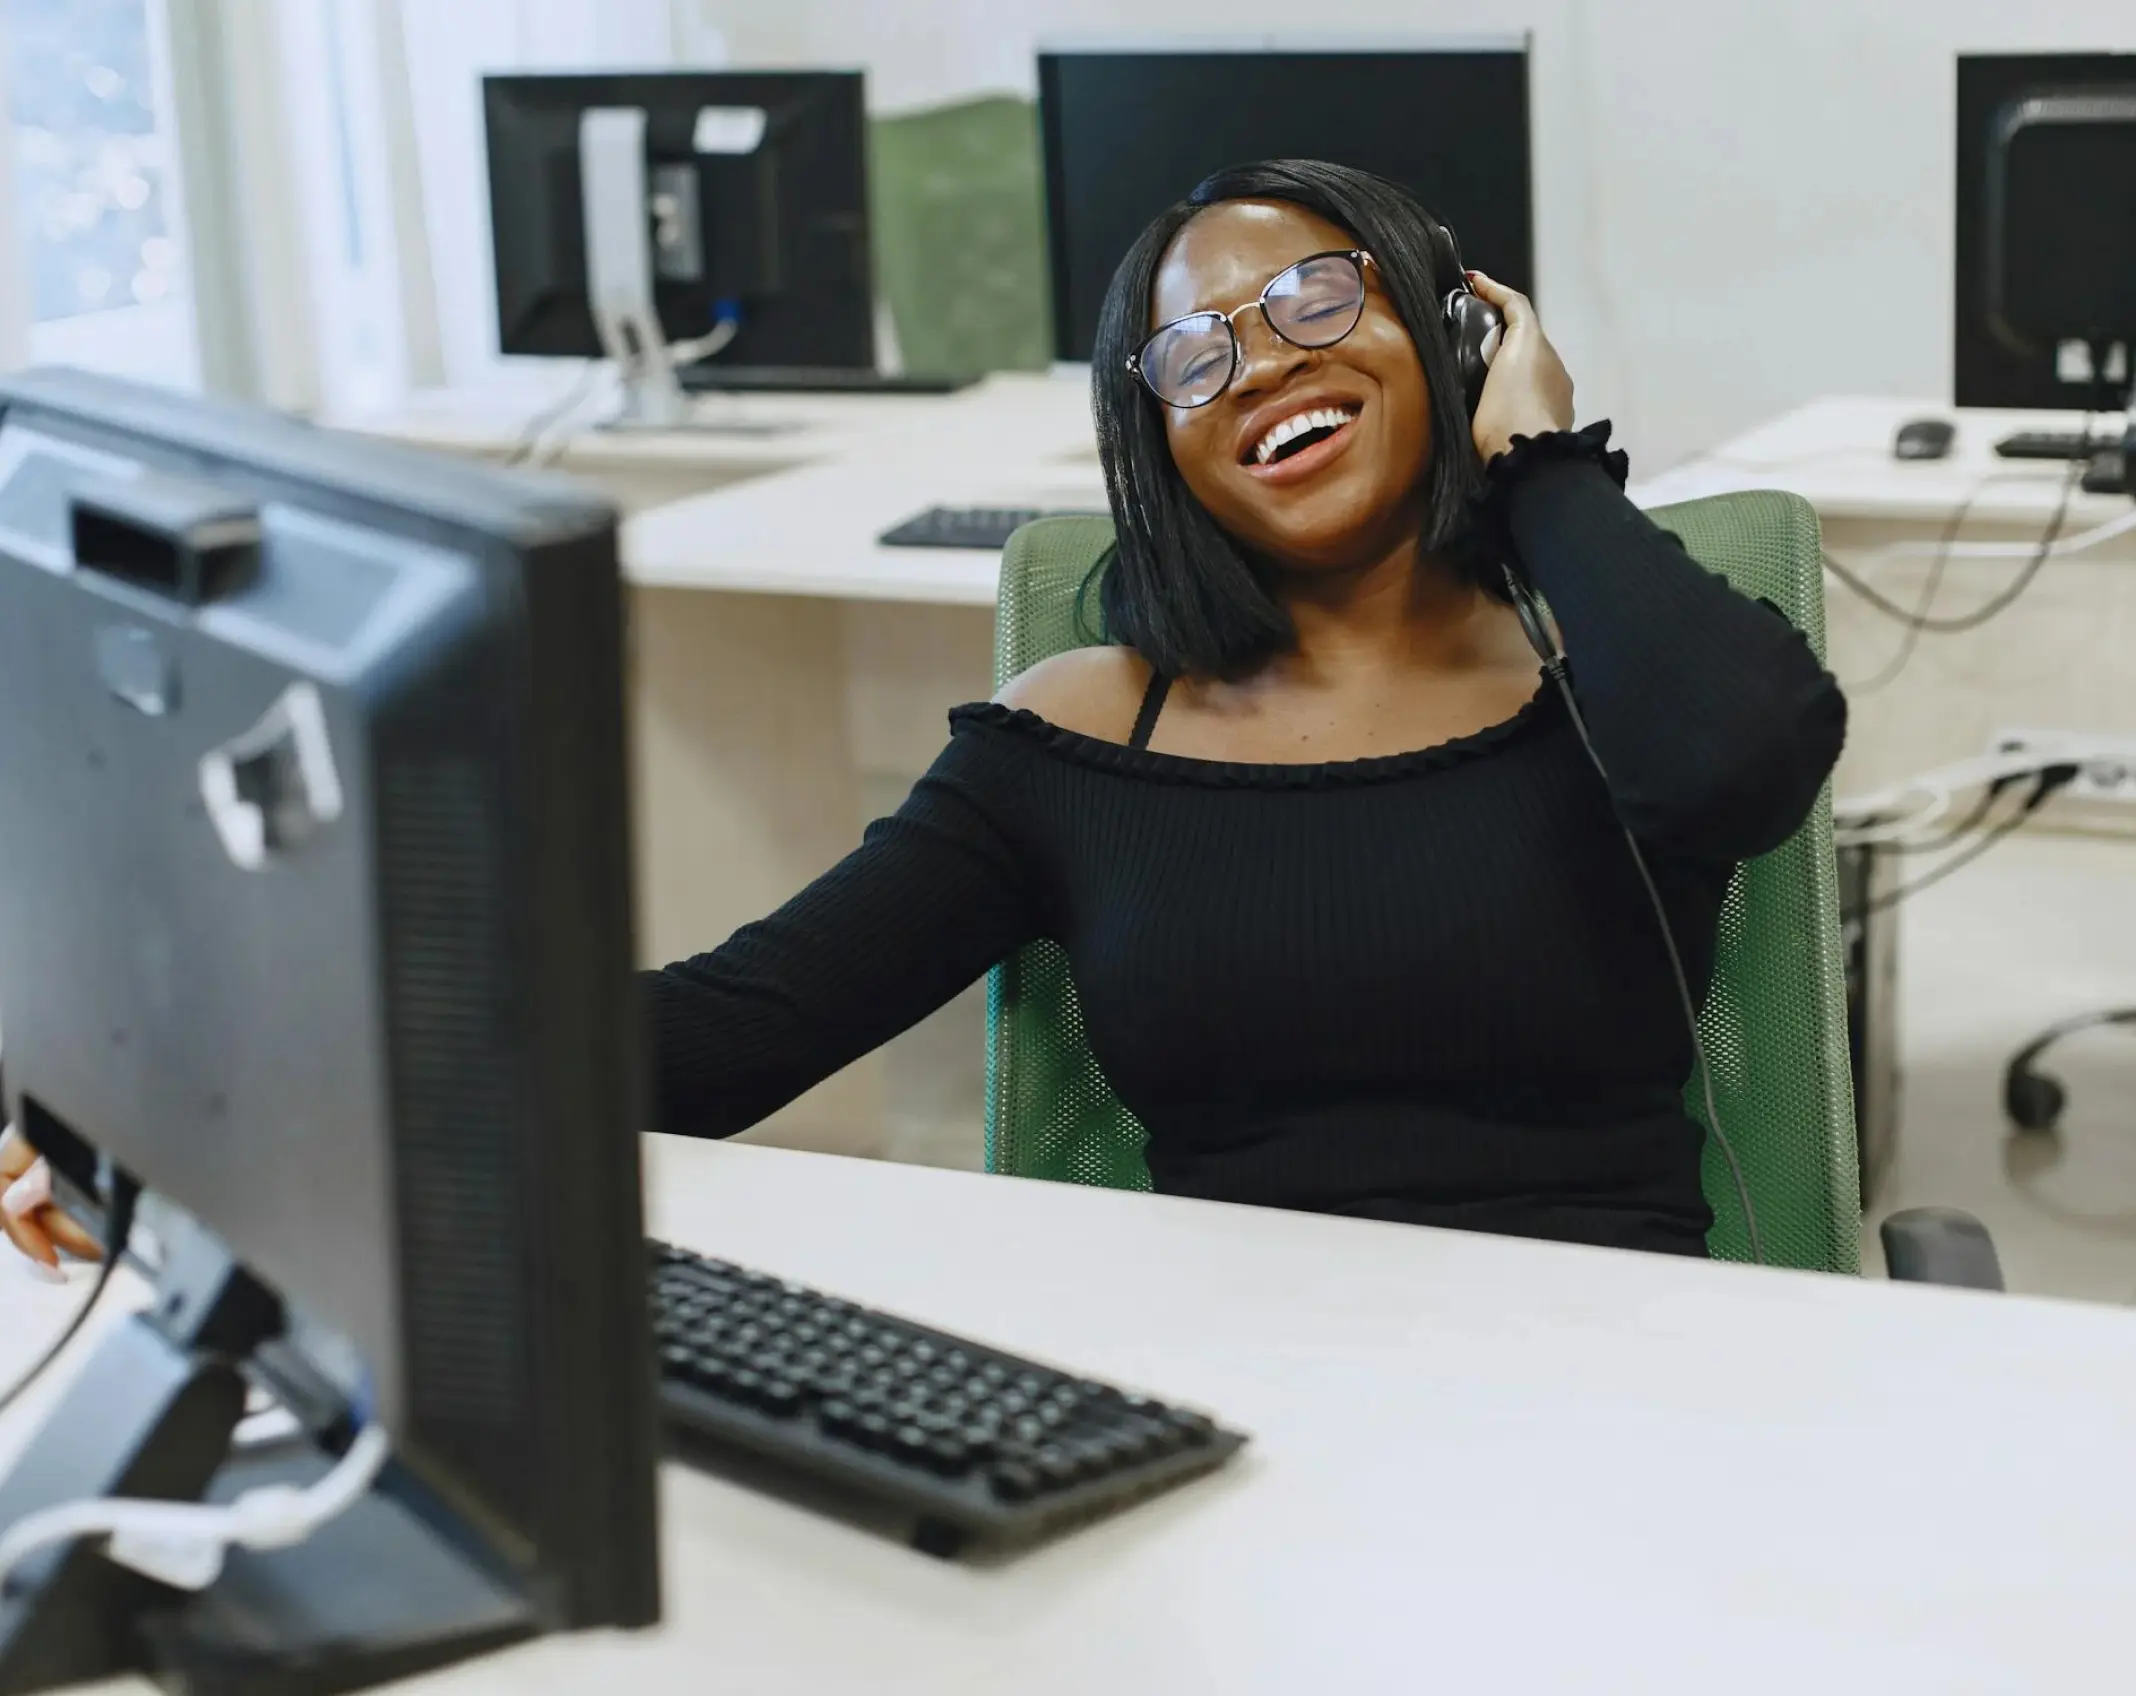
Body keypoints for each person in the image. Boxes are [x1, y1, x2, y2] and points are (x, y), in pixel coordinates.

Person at [2, 159, 1844, 1269]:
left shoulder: (1619, 657)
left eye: (1315, 295)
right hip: (1258, 1389)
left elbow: (1744, 767)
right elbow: (716, 1040)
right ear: (1161, 448)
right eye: (1192, 354)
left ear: (1445, 324)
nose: (1260, 358)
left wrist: (1541, 470)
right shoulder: (1084, 732)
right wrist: (222, 1094)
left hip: (1617, 1364)